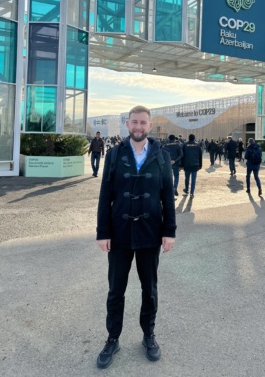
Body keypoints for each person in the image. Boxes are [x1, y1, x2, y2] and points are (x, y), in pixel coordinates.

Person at [96, 105, 176, 369]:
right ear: (127, 125)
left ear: (149, 126)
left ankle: (148, 335)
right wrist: (102, 232)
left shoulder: (161, 156)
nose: (139, 127)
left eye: (143, 123)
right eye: (134, 122)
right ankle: (112, 338)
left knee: (149, 290)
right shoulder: (115, 155)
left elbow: (167, 196)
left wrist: (169, 232)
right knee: (115, 291)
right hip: (118, 234)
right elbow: (105, 194)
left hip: (150, 234)